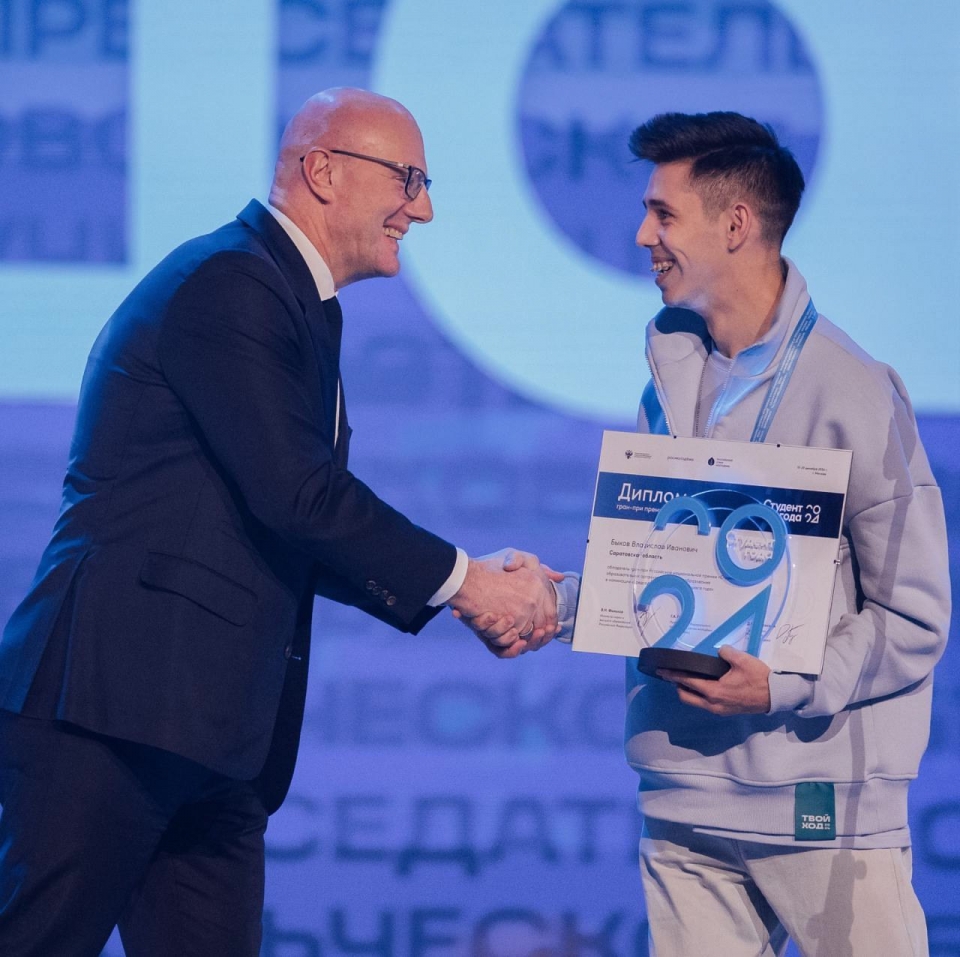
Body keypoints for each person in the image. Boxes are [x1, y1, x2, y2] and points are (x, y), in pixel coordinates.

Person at [0, 87, 559, 956]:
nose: (423, 209)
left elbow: (287, 520)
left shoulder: (288, 297)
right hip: (112, 710)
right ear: (323, 171)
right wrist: (466, 582)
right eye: (408, 180)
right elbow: (298, 495)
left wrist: (460, 584)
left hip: (208, 734)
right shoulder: (231, 283)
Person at [469, 111, 951, 956]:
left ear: (736, 225)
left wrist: (782, 684)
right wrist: (560, 602)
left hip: (820, 804)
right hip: (684, 797)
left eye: (663, 214)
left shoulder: (855, 390)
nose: (641, 236)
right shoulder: (669, 380)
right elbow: (677, 585)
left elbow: (913, 618)